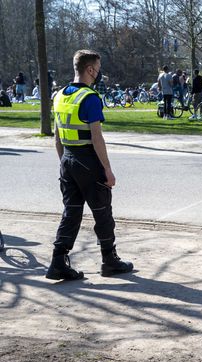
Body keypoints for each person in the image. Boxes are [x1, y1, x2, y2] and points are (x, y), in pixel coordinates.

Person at [46, 49, 133, 281]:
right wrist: (107, 169)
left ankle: (58, 261)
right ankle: (110, 260)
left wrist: (64, 164)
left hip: (67, 159)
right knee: (102, 212)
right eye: (97, 68)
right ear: (90, 69)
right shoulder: (90, 97)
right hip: (88, 160)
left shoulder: (60, 95)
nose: (98, 73)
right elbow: (97, 137)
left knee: (71, 212)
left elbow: (57, 138)